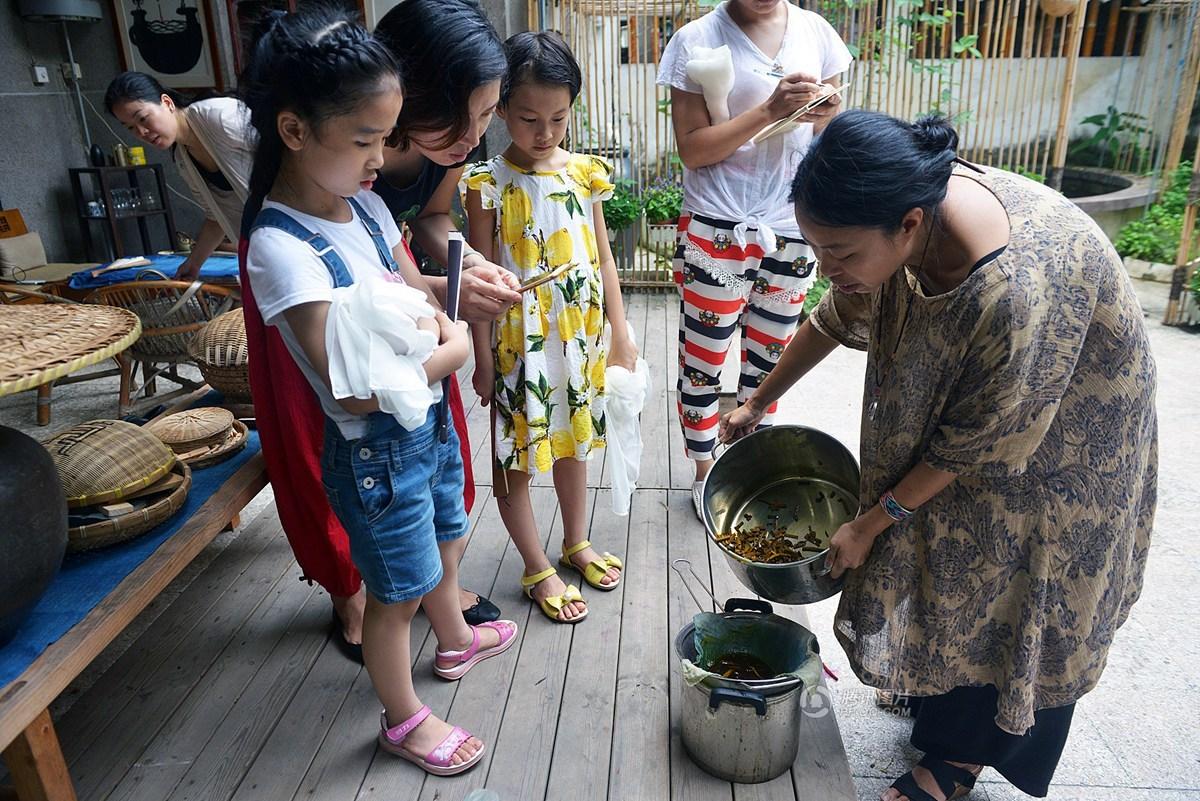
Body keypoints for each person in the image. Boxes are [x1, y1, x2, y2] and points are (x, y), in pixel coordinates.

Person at [721, 111, 1157, 801]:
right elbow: (834, 314)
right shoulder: (894, 217)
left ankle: (960, 757)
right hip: (996, 408)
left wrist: (867, 524)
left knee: (1003, 572)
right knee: (944, 547)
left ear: (911, 226)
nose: (827, 269)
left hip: (1065, 432)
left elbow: (970, 444)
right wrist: (755, 400)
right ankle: (934, 692)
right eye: (816, 249)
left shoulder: (1012, 293)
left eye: (839, 253)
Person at [241, 9, 517, 775]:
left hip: (422, 427)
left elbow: (409, 289)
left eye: (386, 137)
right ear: (295, 131)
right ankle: (404, 719)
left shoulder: (362, 203)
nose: (380, 159)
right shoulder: (280, 248)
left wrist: (450, 301)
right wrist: (455, 344)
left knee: (446, 536)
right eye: (365, 140)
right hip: (374, 453)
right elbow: (352, 388)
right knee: (393, 595)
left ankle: (456, 638)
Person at [461, 32, 637, 624]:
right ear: (500, 109)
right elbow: (480, 279)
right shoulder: (487, 184)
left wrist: (621, 330)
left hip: (578, 339)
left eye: (558, 117)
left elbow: (604, 258)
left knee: (573, 438)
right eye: (528, 117)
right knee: (514, 452)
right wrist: (482, 360)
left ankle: (575, 539)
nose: (544, 132)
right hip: (519, 348)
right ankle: (536, 563)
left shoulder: (585, 173)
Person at [656, 0, 853, 519]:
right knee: (704, 361)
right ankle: (705, 474)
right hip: (717, 226)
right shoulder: (696, 40)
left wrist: (822, 113)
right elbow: (693, 150)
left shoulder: (818, 34)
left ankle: (750, 468)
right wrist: (769, 109)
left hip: (792, 227)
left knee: (770, 362)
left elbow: (823, 130)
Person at [105, 72, 251, 280]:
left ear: (167, 103)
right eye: (130, 127)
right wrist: (194, 263)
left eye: (143, 118)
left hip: (300, 231)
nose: (141, 132)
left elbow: (290, 156)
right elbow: (216, 217)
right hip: (262, 245)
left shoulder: (220, 115)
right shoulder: (183, 159)